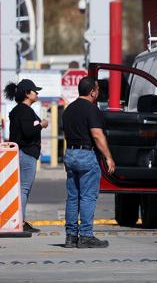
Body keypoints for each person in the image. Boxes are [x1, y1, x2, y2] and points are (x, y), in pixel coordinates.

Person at [61, 76, 115, 249]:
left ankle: (70, 237)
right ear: (92, 91)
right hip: (86, 153)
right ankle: (85, 236)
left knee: (73, 196)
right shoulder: (92, 110)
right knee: (87, 196)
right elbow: (97, 136)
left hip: (70, 152)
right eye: (97, 89)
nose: (98, 92)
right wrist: (108, 157)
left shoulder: (68, 109)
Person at [4, 79, 48, 233]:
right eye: (35, 91)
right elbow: (28, 131)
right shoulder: (25, 111)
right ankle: (20, 222)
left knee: (20, 189)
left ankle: (19, 220)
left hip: (19, 153)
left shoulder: (17, 110)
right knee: (23, 189)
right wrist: (41, 124)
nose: (37, 93)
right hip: (26, 153)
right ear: (27, 93)